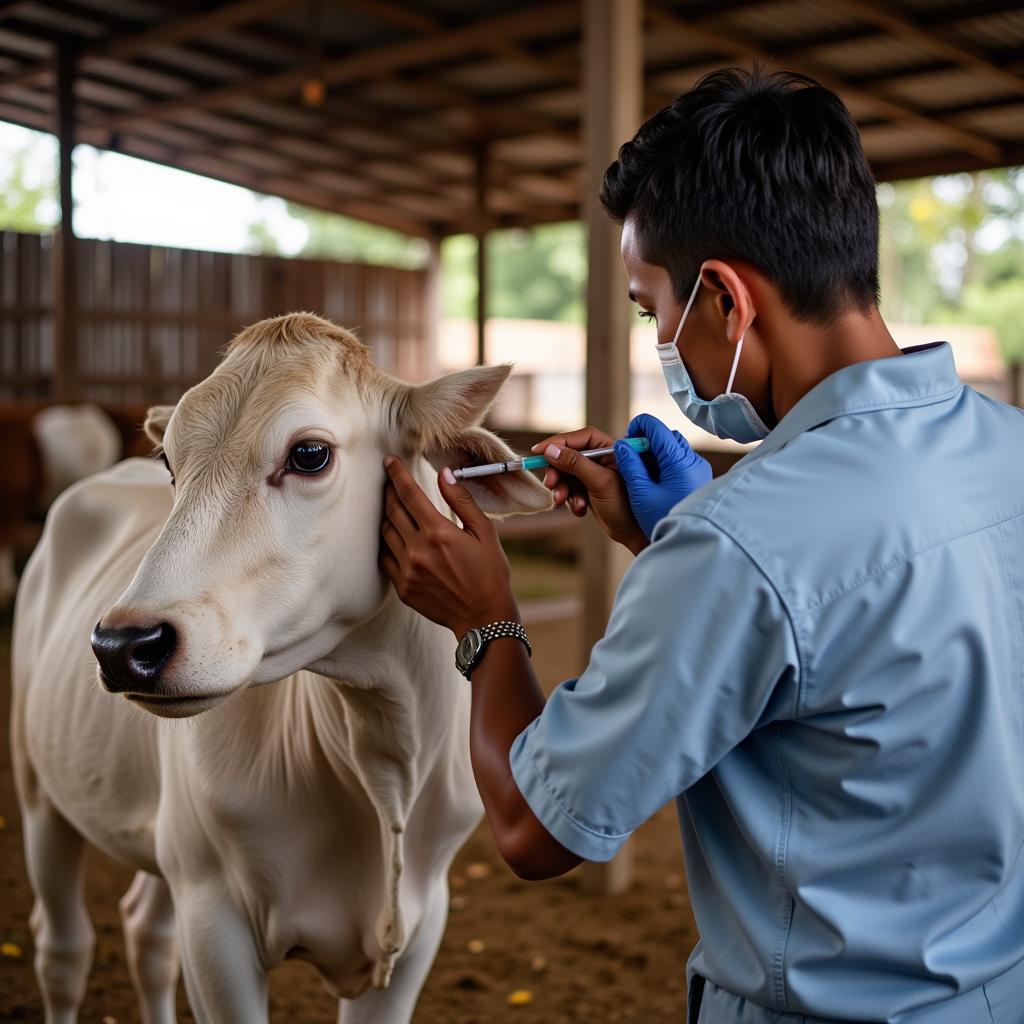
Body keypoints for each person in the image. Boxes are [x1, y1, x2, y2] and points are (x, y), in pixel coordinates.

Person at [378, 67, 1024, 1024]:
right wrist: (672, 533)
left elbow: (530, 826)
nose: (659, 343)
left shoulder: (742, 544)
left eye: (652, 311)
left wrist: (487, 622)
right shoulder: (1006, 448)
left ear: (724, 296)